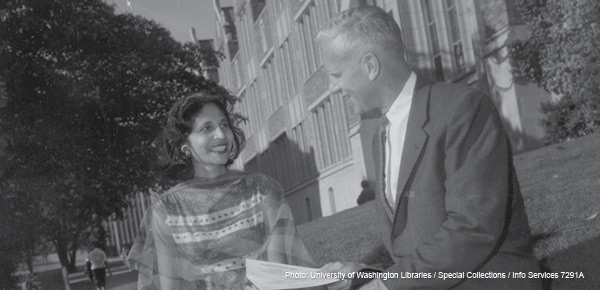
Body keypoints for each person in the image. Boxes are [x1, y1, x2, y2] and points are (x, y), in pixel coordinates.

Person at [317, 6, 540, 289]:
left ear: (370, 66)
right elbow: (408, 233)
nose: (332, 88)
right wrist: (360, 270)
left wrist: (385, 285)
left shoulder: (462, 109)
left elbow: (474, 228)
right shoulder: (380, 136)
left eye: (335, 75)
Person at [126, 91, 318, 289]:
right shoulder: (166, 210)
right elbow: (170, 287)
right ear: (185, 145)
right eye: (206, 128)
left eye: (224, 125)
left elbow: (280, 270)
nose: (221, 134)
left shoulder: (262, 190)